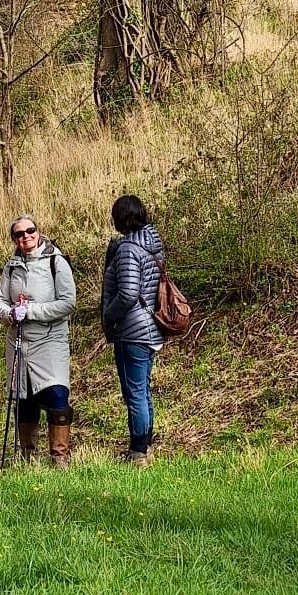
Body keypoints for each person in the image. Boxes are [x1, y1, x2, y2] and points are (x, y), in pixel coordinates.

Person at [0, 214, 76, 467]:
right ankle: (26, 455)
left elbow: (68, 303)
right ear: (14, 239)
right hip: (18, 342)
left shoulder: (56, 262)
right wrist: (9, 314)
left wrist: (31, 311)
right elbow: (0, 301)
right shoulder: (11, 267)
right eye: (19, 234)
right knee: (23, 396)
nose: (26, 237)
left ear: (38, 232)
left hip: (50, 341)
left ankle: (59, 457)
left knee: (56, 394)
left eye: (30, 231)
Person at [100, 195, 165, 466]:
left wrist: (108, 315)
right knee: (143, 390)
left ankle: (138, 452)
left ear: (120, 217)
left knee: (134, 392)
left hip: (133, 330)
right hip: (151, 327)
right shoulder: (153, 245)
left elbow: (127, 293)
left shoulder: (128, 249)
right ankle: (145, 446)